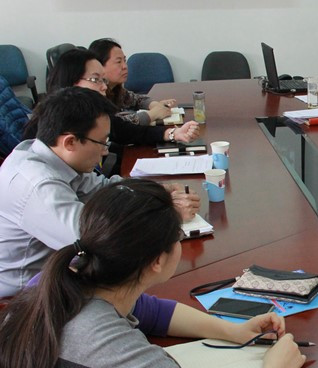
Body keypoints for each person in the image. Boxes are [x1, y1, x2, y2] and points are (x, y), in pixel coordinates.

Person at [0, 179, 306, 368]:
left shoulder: (67, 276)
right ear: (157, 261)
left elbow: (149, 310)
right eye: (179, 236)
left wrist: (232, 330)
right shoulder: (105, 345)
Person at [0, 87, 198, 296]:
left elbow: (104, 188)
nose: (105, 150)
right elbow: (95, 243)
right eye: (102, 142)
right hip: (27, 297)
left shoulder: (55, 155)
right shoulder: (38, 185)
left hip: (63, 273)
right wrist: (167, 215)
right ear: (70, 142)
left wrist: (158, 190)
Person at [42, 49, 199, 148]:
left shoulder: (94, 111)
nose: (104, 87)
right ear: (72, 81)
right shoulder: (55, 122)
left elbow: (126, 131)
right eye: (96, 80)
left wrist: (173, 133)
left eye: (104, 80)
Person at [88, 39, 176, 125]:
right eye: (118, 62)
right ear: (99, 65)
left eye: (124, 61)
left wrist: (154, 105)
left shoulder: (115, 88)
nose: (125, 66)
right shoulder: (94, 94)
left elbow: (137, 99)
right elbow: (115, 124)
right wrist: (152, 114)